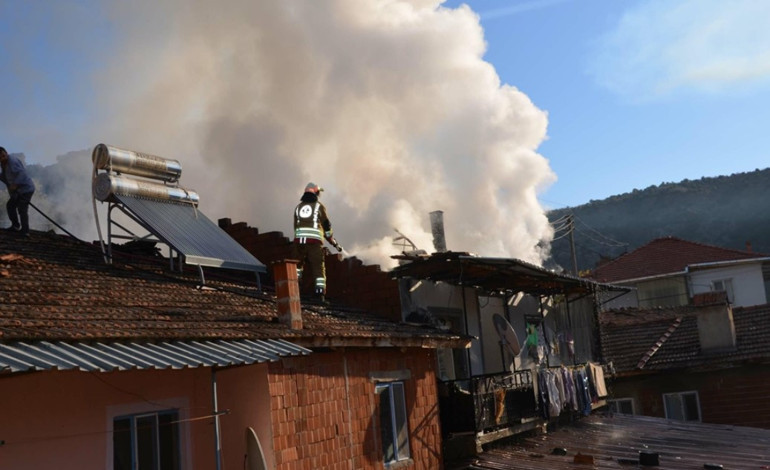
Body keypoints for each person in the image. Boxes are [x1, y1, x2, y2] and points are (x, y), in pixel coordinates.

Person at [292, 182, 342, 301]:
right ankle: (320, 294)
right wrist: (332, 240)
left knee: (297, 267)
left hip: (298, 242)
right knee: (318, 267)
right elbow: (326, 225)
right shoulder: (319, 207)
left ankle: (295, 289)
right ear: (315, 193)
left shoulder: (298, 207)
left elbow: (296, 226)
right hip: (314, 243)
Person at [0, 147, 35, 237]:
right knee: (10, 205)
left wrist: (15, 184)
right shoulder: (3, 164)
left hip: (26, 189)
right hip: (18, 191)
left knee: (22, 208)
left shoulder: (13, 161)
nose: (2, 157)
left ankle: (25, 231)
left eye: (3, 155)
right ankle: (15, 226)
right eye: (0, 157)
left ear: (6, 153)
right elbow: (6, 177)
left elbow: (22, 173)